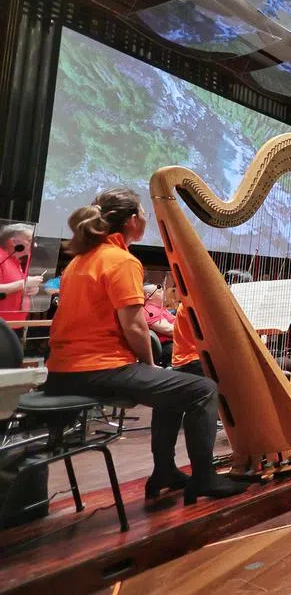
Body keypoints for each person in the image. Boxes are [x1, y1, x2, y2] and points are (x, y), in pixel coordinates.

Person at [43, 188, 245, 503]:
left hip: (61, 371)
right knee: (204, 389)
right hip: (98, 369)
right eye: (143, 212)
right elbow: (136, 326)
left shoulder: (79, 261)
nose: (146, 218)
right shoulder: (121, 260)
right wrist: (150, 365)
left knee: (173, 388)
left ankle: (165, 471)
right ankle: (204, 478)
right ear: (132, 220)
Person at [0, 223, 41, 322]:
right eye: (30, 241)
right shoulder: (2, 259)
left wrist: (29, 289)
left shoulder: (15, 261)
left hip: (15, 323)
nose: (35, 245)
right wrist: (23, 284)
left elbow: (13, 288)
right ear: (14, 242)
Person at [142, 283, 175, 367]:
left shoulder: (159, 308)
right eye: (159, 292)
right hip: (168, 346)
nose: (163, 293)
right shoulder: (150, 311)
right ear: (149, 296)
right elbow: (170, 330)